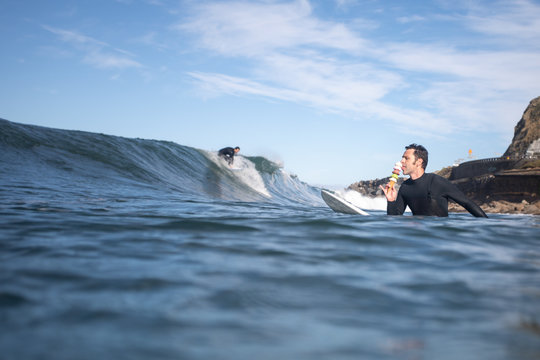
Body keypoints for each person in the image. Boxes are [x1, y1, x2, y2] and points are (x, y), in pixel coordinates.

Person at [380, 144, 488, 217]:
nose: (401, 161)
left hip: (439, 238)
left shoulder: (437, 182)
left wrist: (486, 225)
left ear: (419, 162)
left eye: (406, 158)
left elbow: (467, 203)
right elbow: (395, 218)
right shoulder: (405, 186)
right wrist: (391, 201)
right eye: (402, 158)